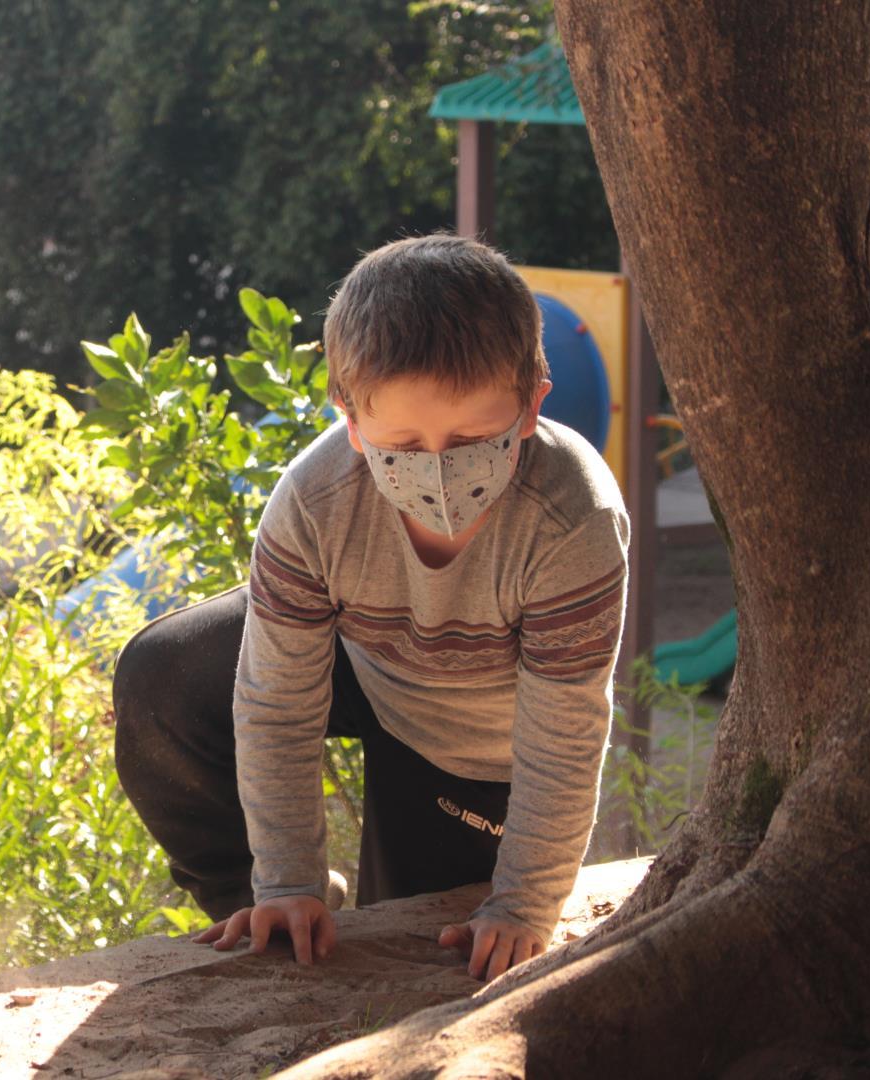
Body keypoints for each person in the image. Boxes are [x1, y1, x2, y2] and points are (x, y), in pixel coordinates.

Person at [114, 234, 629, 982]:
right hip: (367, 658)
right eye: (402, 445)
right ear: (350, 420)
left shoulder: (570, 517)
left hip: (479, 745)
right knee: (162, 674)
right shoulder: (315, 499)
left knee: (440, 950)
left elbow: (564, 738)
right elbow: (276, 700)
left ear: (531, 404)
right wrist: (284, 880)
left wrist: (525, 903)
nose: (439, 469)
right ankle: (267, 907)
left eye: (473, 439)